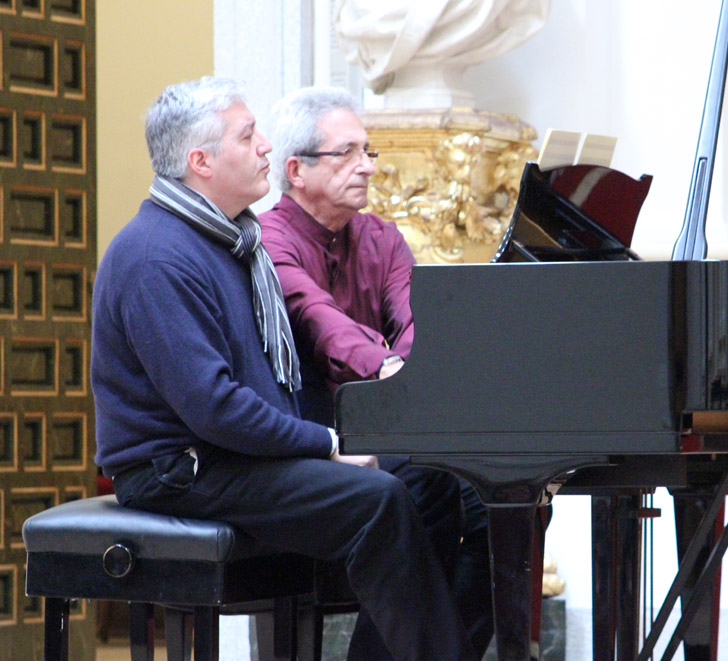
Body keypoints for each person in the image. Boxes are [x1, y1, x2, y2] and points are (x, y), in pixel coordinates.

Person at [91, 76, 474, 660]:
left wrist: (344, 439)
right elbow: (215, 408)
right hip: (180, 469)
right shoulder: (155, 255)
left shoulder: (228, 240)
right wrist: (328, 444)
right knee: (379, 499)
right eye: (248, 137)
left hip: (226, 453)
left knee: (434, 482)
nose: (266, 145)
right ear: (201, 162)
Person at [258, 86, 495, 658]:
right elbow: (317, 319)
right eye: (348, 153)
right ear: (297, 170)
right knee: (426, 480)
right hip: (314, 437)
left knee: (499, 497)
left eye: (368, 151)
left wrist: (412, 365)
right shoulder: (269, 238)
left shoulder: (381, 237)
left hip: (388, 424)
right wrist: (389, 366)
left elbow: (416, 320)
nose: (367, 166)